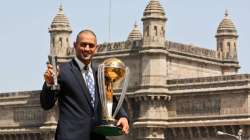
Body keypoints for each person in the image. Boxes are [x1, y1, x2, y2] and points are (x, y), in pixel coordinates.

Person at [40, 29, 129, 140]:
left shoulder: (100, 73)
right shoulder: (62, 71)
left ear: (96, 48)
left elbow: (110, 99)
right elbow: (46, 103)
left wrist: (123, 116)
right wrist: (49, 84)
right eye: (83, 45)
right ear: (75, 45)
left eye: (91, 45)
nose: (87, 49)